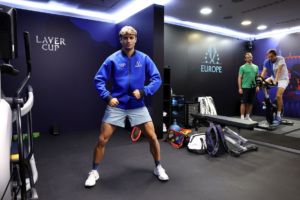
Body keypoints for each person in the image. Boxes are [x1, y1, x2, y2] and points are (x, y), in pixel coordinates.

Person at [84, 26, 169, 187]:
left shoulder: (144, 59)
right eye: (125, 38)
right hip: (117, 105)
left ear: (135, 39)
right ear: (120, 40)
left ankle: (158, 167)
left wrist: (144, 91)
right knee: (102, 139)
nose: (128, 40)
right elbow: (98, 80)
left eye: (131, 37)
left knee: (152, 137)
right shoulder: (113, 59)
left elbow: (157, 79)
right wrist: (108, 97)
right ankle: (94, 171)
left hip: (138, 105)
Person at [261, 49, 289, 122]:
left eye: (272, 57)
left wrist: (276, 81)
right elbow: (264, 71)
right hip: (273, 77)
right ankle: (267, 100)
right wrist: (260, 79)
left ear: (275, 56)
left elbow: (279, 71)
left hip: (283, 79)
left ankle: (279, 114)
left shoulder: (281, 58)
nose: (270, 58)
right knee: (263, 84)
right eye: (269, 57)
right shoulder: (267, 61)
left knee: (279, 96)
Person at [238, 52, 259, 121]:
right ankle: (242, 117)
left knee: (250, 103)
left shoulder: (256, 67)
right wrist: (240, 88)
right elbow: (239, 78)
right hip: (245, 87)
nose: (250, 58)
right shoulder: (242, 67)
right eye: (248, 57)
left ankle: (247, 116)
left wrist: (257, 86)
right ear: (245, 59)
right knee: (243, 102)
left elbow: (257, 78)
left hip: (253, 87)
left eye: (251, 57)